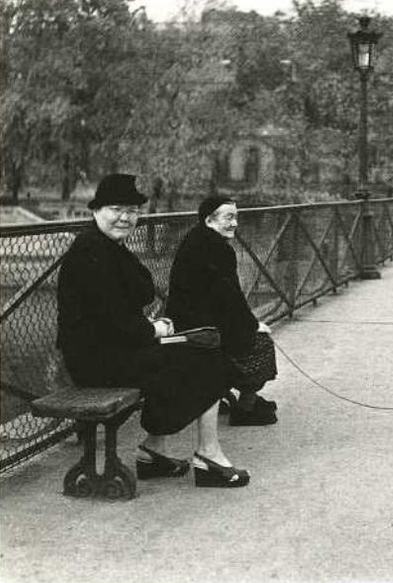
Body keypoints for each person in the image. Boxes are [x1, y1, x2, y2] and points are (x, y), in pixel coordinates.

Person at [56, 173, 250, 488]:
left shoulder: (108, 245)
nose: (125, 218)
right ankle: (207, 455)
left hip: (114, 350)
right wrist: (154, 330)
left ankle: (154, 451)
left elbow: (141, 289)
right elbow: (112, 318)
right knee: (206, 360)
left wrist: (149, 328)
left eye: (132, 211)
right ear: (96, 210)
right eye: (116, 209)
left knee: (204, 351)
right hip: (95, 361)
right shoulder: (90, 250)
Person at [166, 195, 278, 426]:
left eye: (236, 217)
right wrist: (254, 325)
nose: (235, 223)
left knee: (242, 338)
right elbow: (230, 298)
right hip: (204, 329)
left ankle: (221, 396)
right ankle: (246, 407)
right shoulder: (219, 249)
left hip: (188, 322)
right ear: (209, 221)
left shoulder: (196, 239)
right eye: (229, 217)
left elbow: (225, 299)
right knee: (262, 343)